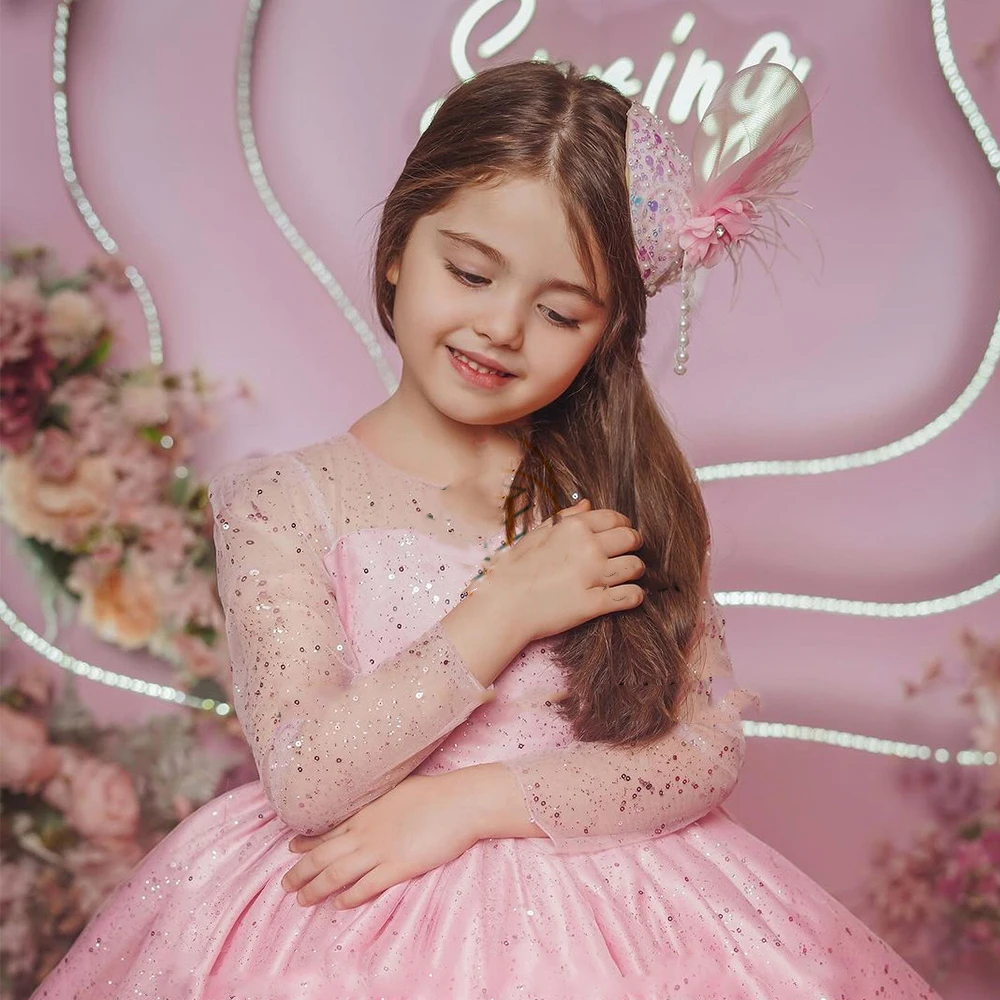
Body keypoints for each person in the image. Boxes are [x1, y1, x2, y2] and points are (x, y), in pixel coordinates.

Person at [32, 59, 941, 1000]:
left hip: (614, 930)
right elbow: (306, 780)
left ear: (605, 334)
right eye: (469, 271)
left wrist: (470, 805)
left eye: (558, 312)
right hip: (344, 941)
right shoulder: (284, 501)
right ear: (397, 247)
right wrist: (499, 612)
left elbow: (702, 749)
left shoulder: (623, 493)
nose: (502, 327)